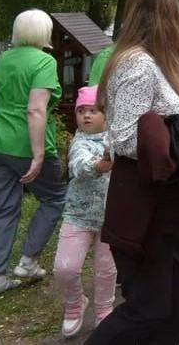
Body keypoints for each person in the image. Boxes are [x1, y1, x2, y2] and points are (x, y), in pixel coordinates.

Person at [87, 0, 179, 344]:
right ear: (164, 20)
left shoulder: (156, 63)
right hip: (145, 208)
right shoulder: (137, 63)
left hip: (169, 208)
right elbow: (125, 137)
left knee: (175, 304)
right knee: (148, 309)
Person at [0, 9, 65, 297]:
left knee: (5, 207)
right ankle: (28, 262)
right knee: (54, 198)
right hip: (25, 144)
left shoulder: (5, 58)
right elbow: (35, 109)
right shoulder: (45, 61)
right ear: (45, 32)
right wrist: (38, 155)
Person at [53, 86, 116, 337]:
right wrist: (100, 165)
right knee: (65, 268)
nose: (86, 116)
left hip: (112, 215)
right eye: (81, 111)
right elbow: (79, 165)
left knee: (106, 269)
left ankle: (104, 310)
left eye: (93, 110)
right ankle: (75, 303)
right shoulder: (78, 142)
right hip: (78, 214)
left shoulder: (116, 138)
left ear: (106, 114)